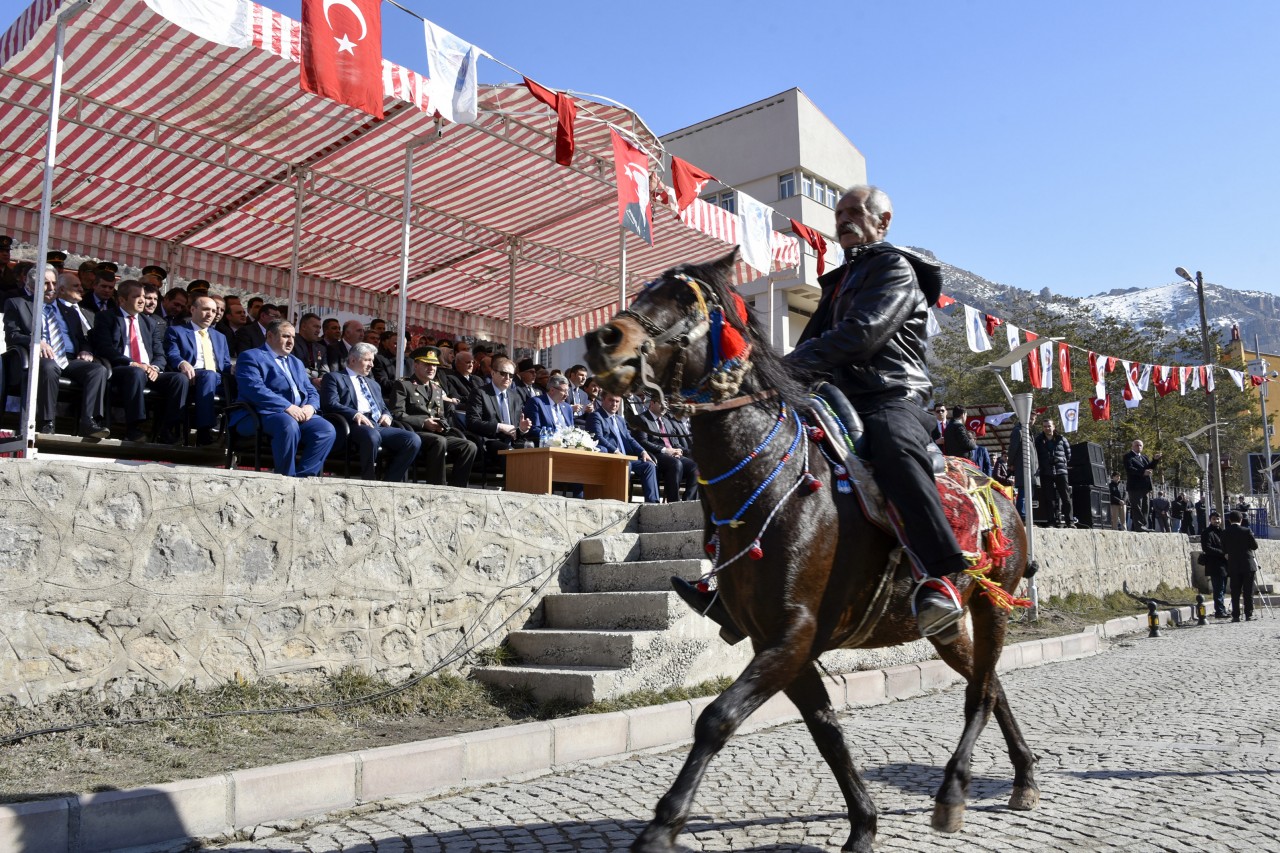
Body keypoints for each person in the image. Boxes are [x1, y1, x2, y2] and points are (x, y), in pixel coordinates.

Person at [783, 185, 967, 639]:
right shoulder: (839, 280)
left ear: (882, 222)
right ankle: (730, 578)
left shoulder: (894, 268)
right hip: (837, 397)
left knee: (893, 445)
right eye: (838, 212)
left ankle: (940, 576)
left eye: (853, 212)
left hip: (891, 395)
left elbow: (861, 335)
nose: (842, 219)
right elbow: (809, 347)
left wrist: (784, 367)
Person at [2, 264, 110, 438]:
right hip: (37, 357)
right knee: (49, 367)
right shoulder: (17, 304)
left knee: (98, 370)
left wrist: (86, 350)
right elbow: (12, 336)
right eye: (46, 284)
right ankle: (47, 422)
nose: (52, 289)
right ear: (31, 286)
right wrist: (36, 342)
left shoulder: (69, 311)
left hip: (69, 359)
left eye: (53, 283)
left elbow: (83, 340)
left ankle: (89, 422)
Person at [89, 279, 189, 443]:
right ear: (122, 299)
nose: (143, 300)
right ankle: (134, 428)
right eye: (137, 297)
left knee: (179, 379)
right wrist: (131, 362)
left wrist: (155, 367)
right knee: (136, 372)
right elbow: (104, 348)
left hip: (148, 370)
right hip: (121, 369)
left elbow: (159, 353)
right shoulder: (106, 317)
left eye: (144, 296)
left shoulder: (150, 322)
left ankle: (167, 429)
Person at [232, 320, 335, 477]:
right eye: (286, 336)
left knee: (326, 429)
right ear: (270, 336)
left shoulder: (296, 362)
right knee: (288, 424)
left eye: (293, 337)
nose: (291, 341)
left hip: (298, 414)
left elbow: (311, 390)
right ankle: (286, 477)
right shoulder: (251, 356)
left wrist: (311, 407)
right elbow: (254, 389)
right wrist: (287, 407)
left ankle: (304, 477)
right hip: (259, 413)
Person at [321, 343, 422, 483]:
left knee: (412, 439)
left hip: (376, 424)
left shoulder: (373, 384)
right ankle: (368, 480)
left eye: (372, 360)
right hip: (352, 424)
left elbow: (383, 407)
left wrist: (387, 415)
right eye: (367, 360)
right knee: (371, 435)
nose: (371, 365)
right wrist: (354, 414)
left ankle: (390, 482)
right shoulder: (334, 377)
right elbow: (330, 404)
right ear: (353, 360)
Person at [390, 346, 475, 488]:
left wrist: (442, 425)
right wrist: (424, 422)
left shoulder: (437, 388)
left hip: (436, 432)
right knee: (439, 441)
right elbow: (397, 414)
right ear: (416, 365)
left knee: (469, 446)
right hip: (415, 432)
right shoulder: (403, 385)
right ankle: (437, 487)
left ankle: (458, 488)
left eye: (434, 365)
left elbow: (440, 414)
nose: (431, 368)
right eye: (427, 364)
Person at [164, 294, 231, 445]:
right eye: (206, 309)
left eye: (214, 311)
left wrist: (234, 369)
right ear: (193, 309)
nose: (210, 314)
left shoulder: (220, 337)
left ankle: (242, 434)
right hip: (193, 376)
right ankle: (204, 431)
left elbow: (225, 365)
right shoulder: (177, 331)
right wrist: (182, 362)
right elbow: (172, 353)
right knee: (209, 375)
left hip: (219, 380)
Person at [465, 355, 534, 473]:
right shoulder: (480, 393)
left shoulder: (515, 397)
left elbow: (515, 429)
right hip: (490, 440)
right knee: (510, 453)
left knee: (534, 451)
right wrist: (499, 427)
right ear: (493, 373)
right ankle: (513, 489)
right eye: (503, 373)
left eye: (511, 375)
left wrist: (522, 429)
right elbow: (472, 422)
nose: (507, 378)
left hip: (512, 441)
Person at [588, 390, 660, 503]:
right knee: (626, 465)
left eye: (617, 401)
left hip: (626, 457)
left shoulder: (620, 420)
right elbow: (598, 437)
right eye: (611, 400)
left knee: (649, 465)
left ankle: (652, 503)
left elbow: (630, 439)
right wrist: (615, 451)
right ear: (603, 400)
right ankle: (622, 501)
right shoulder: (596, 416)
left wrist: (642, 451)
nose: (614, 404)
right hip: (611, 457)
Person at [629, 396, 698, 502]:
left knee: (695, 467)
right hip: (655, 455)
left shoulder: (667, 421)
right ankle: (673, 502)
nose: (665, 406)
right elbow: (642, 442)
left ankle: (688, 501)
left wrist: (679, 451)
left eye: (666, 403)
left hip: (672, 454)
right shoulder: (641, 419)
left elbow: (675, 443)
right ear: (652, 403)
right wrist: (665, 450)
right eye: (662, 403)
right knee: (676, 464)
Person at [1221, 510, 1259, 622]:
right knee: (1248, 591)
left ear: (1229, 520)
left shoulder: (1225, 532)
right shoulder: (1246, 530)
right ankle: (1248, 614)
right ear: (1241, 520)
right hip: (1247, 564)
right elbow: (1254, 546)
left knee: (1235, 591)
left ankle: (1236, 615)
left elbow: (1223, 548)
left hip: (1234, 565)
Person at [1034, 418, 1073, 527]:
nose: (1047, 428)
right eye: (1045, 426)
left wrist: (1061, 462)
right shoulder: (1039, 440)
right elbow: (1036, 455)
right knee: (1049, 498)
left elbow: (1068, 454)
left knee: (1065, 497)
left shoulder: (1062, 439)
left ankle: (1070, 522)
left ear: (1053, 427)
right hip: (1046, 471)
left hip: (1061, 471)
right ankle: (1051, 521)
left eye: (1049, 426)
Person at [1123, 440, 1162, 532]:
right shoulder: (1128, 456)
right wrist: (1142, 472)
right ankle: (1139, 526)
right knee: (1137, 507)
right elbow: (1130, 469)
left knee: (1145, 507)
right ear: (1132, 446)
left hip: (1145, 487)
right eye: (1136, 445)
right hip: (1135, 486)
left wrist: (1155, 460)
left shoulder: (1144, 457)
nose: (1139, 447)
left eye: (1140, 445)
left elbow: (1149, 467)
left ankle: (1143, 525)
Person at [1200, 511, 1229, 618]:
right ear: (1210, 520)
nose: (1216, 521)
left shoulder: (1222, 532)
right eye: (1214, 519)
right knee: (1218, 589)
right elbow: (1206, 548)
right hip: (1214, 564)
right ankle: (1219, 611)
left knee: (1223, 588)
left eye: (1218, 519)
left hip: (1224, 564)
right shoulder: (1207, 533)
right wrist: (1223, 553)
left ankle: (1222, 609)